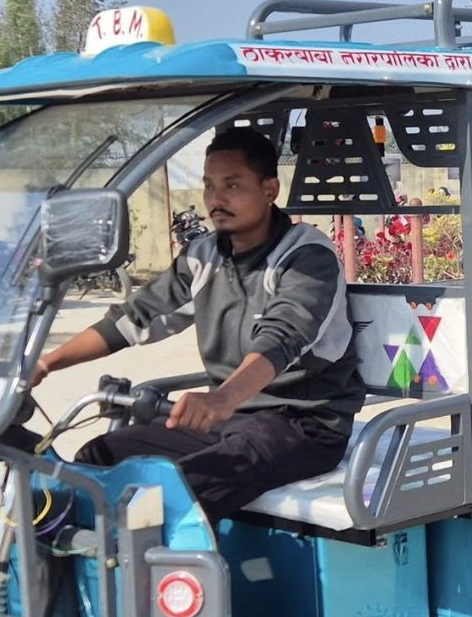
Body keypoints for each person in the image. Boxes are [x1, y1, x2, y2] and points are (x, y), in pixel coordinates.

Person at [34, 125, 364, 517]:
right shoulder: (204, 255)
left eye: (232, 185)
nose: (215, 199)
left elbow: (282, 339)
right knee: (96, 458)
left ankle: (161, 575)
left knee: (181, 489)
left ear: (270, 189)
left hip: (303, 425)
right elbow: (133, 319)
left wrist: (223, 397)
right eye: (209, 185)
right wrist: (44, 364)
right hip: (231, 417)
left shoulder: (307, 257)